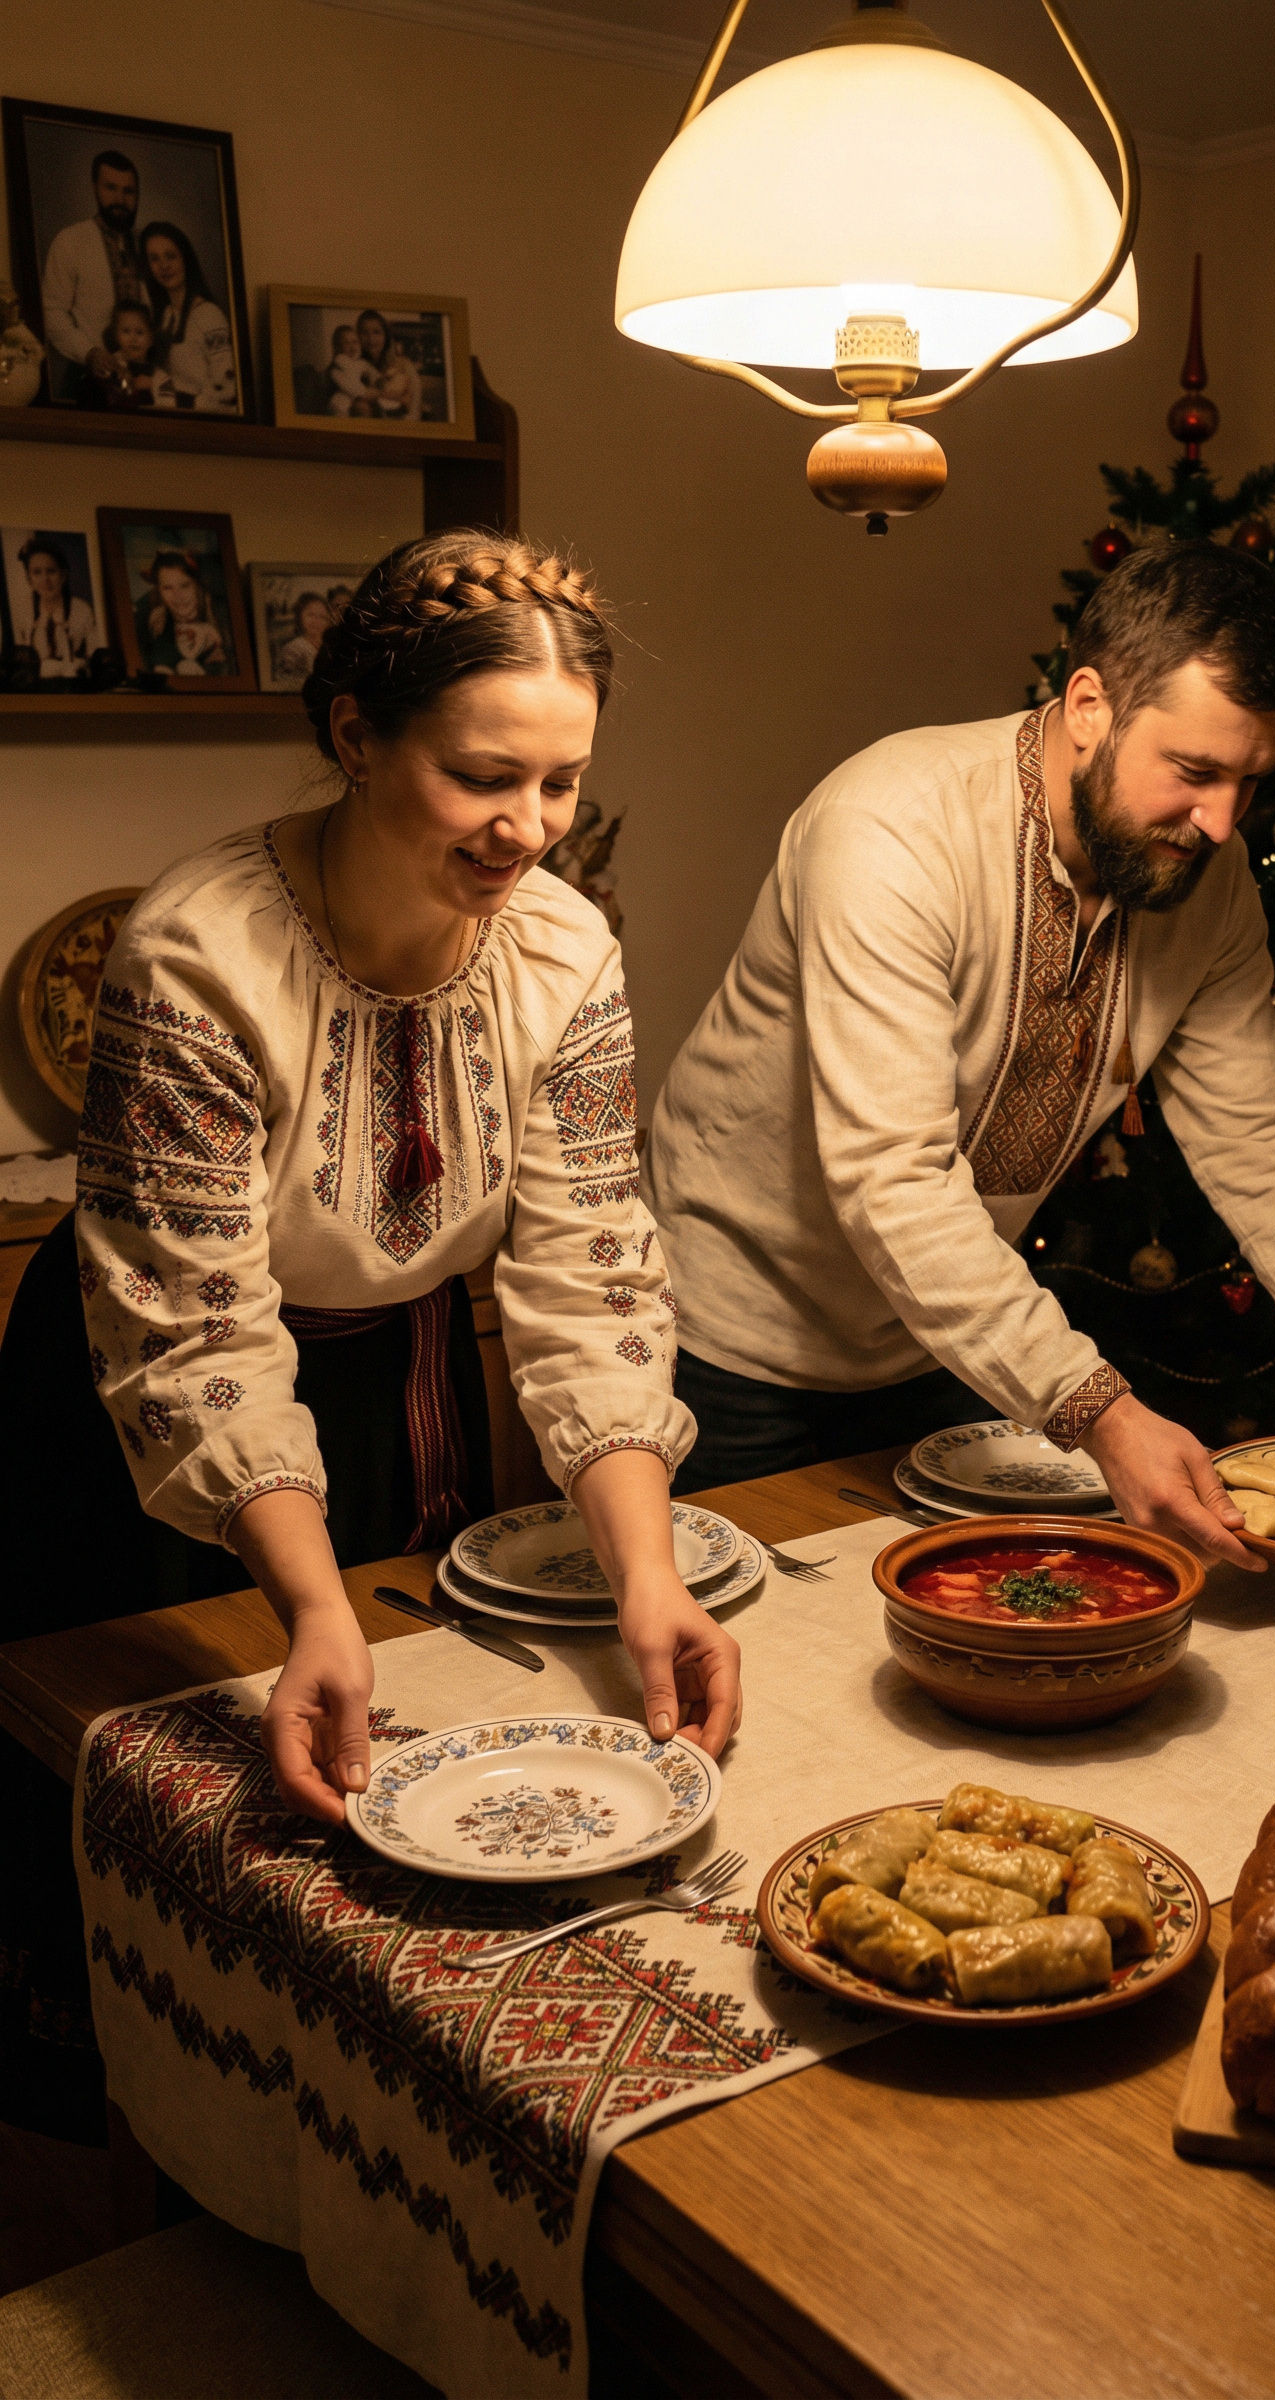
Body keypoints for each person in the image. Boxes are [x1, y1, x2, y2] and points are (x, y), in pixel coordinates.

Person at [0, 530, 739, 2142]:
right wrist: (310, 1601)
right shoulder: (199, 951)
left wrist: (646, 1573)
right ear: (353, 735)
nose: (528, 832)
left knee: (384, 1832)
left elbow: (593, 1276)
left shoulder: (566, 948)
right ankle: (141, 2189)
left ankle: (369, 2146)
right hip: (140, 1409)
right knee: (160, 1840)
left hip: (389, 1378)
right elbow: (195, 1333)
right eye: (486, 777)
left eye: (562, 785)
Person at [644, 542, 1275, 1565]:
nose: (1220, 822)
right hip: (731, 1354)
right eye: (1193, 771)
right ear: (1091, 704)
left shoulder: (1210, 878)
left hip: (947, 1347)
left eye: (1249, 779)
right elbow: (891, 1181)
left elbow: (1260, 1138)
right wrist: (1099, 1409)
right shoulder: (889, 829)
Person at [39, 149, 149, 401]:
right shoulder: (70, 241)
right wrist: (90, 353)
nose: (120, 199)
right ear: (95, 188)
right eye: (111, 188)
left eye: (128, 191)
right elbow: (52, 312)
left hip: (149, 383)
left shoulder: (150, 245)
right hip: (89, 383)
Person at [140, 219, 236, 412]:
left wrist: (185, 405)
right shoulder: (166, 316)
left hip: (208, 422)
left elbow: (227, 388)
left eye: (171, 256)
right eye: (155, 258)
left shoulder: (209, 315)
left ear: (185, 258)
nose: (164, 265)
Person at [133, 546, 229, 677]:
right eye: (167, 588)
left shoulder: (222, 613)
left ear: (197, 584)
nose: (178, 596)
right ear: (159, 592)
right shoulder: (155, 623)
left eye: (185, 585)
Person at [13, 532, 98, 678]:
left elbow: (94, 655)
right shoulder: (23, 612)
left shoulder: (81, 610)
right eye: (37, 572)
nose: (45, 579)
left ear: (63, 575)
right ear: (29, 579)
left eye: (51, 571)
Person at [81, 299, 172, 410]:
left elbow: (169, 408)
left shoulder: (159, 376)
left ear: (151, 339)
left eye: (140, 332)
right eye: (126, 331)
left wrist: (153, 386)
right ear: (116, 335)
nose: (133, 339)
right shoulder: (109, 367)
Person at [276, 588, 332, 681]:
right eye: (311, 615)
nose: (316, 621)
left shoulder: (330, 646)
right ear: (300, 616)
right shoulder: (293, 649)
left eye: (322, 617)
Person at [326, 321, 374, 415]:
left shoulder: (361, 363)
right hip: (340, 404)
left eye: (355, 342)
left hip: (359, 399)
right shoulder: (336, 369)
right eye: (346, 343)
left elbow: (375, 375)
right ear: (338, 347)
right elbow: (357, 390)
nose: (352, 347)